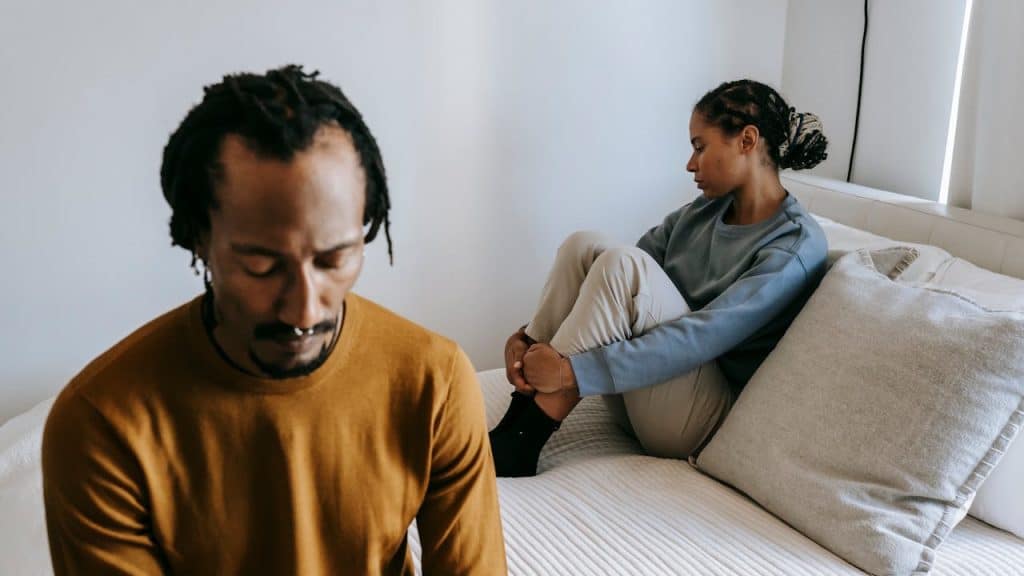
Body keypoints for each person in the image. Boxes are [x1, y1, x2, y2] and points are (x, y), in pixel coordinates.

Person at [42, 65, 506, 575]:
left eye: (333, 260)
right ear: (198, 238)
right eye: (262, 266)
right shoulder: (101, 424)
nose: (304, 310)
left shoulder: (435, 381)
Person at [489, 79, 830, 477]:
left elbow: (704, 335)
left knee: (624, 265)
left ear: (747, 140)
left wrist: (571, 373)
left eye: (700, 147)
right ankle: (523, 395)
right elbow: (615, 284)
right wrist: (529, 337)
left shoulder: (794, 245)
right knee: (585, 246)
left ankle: (522, 438)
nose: (690, 164)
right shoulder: (703, 212)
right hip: (645, 392)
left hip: (696, 422)